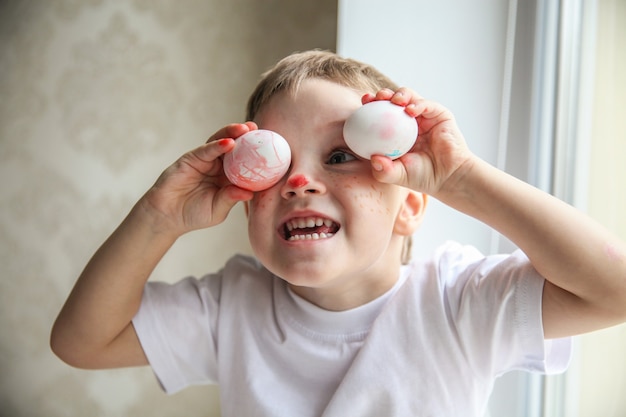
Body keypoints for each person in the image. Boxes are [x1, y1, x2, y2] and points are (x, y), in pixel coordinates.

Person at [50, 50, 626, 416]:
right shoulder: (232, 308)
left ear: (410, 208)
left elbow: (614, 287)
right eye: (273, 164)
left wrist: (465, 179)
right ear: (247, 207)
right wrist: (159, 218)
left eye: (341, 156)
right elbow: (81, 342)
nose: (299, 181)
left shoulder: (458, 302)